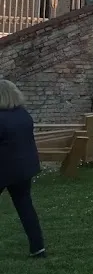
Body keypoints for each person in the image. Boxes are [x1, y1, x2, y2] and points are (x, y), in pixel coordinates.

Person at [0, 79, 46, 258]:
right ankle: (38, 248)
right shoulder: (23, 114)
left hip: (5, 170)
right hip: (24, 169)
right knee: (25, 207)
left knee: (25, 205)